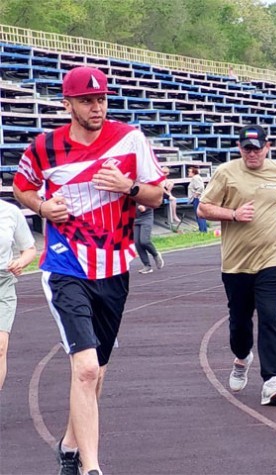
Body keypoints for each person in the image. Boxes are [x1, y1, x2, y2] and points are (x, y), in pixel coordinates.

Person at [13, 66, 165, 475]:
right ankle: (90, 466)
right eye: (86, 101)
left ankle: (68, 444)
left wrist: (127, 186)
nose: (96, 107)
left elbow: (155, 195)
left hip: (114, 266)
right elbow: (20, 187)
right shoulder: (44, 148)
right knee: (85, 367)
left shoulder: (130, 139)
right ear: (68, 105)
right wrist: (42, 207)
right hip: (66, 266)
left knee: (96, 371)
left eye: (101, 99)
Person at [197, 125, 276, 406]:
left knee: (270, 315)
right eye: (247, 148)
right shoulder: (226, 173)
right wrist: (232, 213)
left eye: (257, 148)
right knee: (239, 324)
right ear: (239, 148)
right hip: (235, 264)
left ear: (268, 147)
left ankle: (271, 381)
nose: (252, 153)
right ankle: (242, 357)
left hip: (272, 259)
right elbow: (203, 208)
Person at [0, 199, 37, 390]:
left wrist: (20, 262)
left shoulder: (10, 212)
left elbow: (29, 250)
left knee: (0, 347)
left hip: (3, 283)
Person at [133, 203, 164, 274]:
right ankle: (147, 265)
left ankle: (155, 254)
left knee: (144, 241)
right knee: (137, 243)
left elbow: (155, 200)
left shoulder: (146, 191)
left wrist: (146, 206)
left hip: (146, 216)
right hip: (134, 218)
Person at [188, 166, 208, 233]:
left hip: (197, 199)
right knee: (200, 215)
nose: (188, 173)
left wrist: (196, 194)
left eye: (189, 171)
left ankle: (202, 230)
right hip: (198, 198)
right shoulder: (196, 178)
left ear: (193, 172)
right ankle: (203, 230)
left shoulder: (195, 178)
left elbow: (201, 187)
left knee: (199, 215)